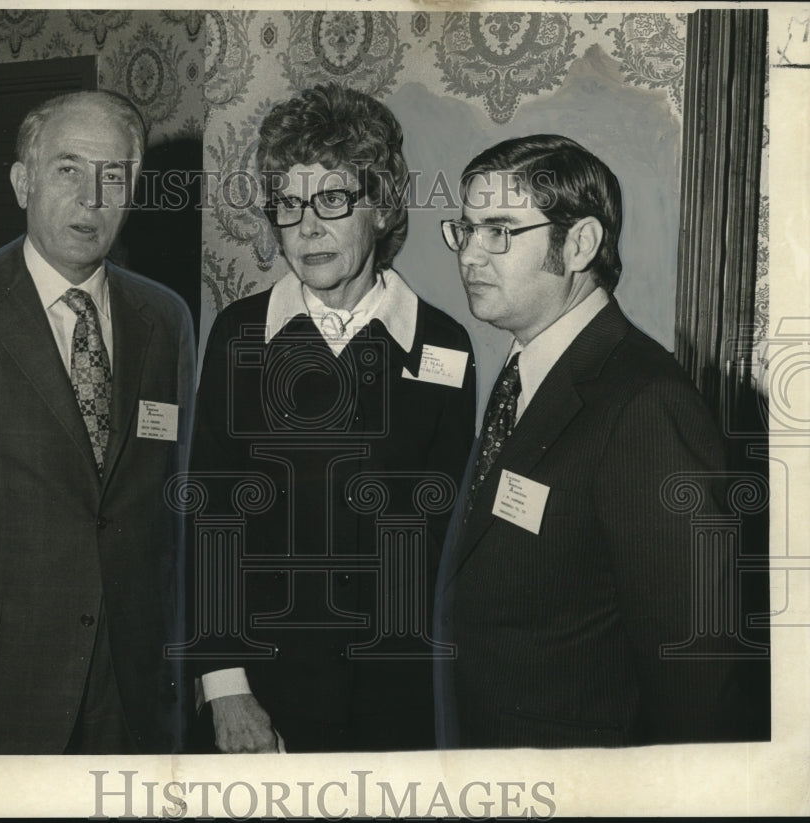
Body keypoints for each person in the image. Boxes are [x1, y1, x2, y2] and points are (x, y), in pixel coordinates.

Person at [0, 90, 195, 754]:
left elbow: (172, 509)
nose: (92, 198)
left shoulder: (165, 318)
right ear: (23, 182)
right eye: (68, 169)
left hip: (134, 685)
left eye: (114, 176)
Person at [186, 83, 475, 752]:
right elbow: (209, 518)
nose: (308, 227)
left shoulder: (442, 345)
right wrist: (226, 688)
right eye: (289, 205)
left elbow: (445, 539)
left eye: (333, 200)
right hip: (263, 696)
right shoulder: (239, 336)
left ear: (378, 207)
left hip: (396, 700)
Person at [434, 134, 744, 748]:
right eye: (464, 230)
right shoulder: (527, 368)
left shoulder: (645, 403)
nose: (469, 255)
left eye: (498, 231)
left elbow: (695, 676)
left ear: (579, 243)